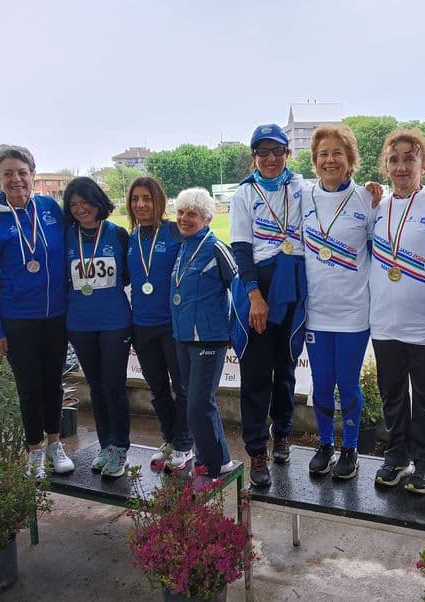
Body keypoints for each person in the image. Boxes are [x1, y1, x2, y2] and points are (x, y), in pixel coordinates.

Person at [0, 144, 74, 479]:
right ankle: (34, 450)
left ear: (32, 173)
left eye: (22, 172)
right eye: (8, 173)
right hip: (17, 319)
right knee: (29, 387)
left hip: (56, 316)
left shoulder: (49, 209)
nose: (16, 179)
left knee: (53, 384)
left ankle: (55, 443)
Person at [229, 124, 307, 488]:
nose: (271, 159)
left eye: (277, 151)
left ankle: (283, 434)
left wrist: (369, 194)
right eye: (263, 152)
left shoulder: (301, 187)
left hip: (292, 282)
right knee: (257, 374)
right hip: (259, 285)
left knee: (286, 368)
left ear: (287, 154)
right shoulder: (245, 193)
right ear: (254, 157)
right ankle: (256, 450)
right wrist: (253, 295)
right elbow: (241, 249)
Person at [369, 129, 425, 493]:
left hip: (424, 324)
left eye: (409, 158)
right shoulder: (376, 207)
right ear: (386, 165)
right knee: (392, 394)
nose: (402, 166)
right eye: (394, 159)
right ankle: (397, 456)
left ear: (424, 164)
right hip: (384, 322)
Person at [302, 124, 375, 480]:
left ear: (350, 161)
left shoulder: (368, 199)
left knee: (347, 383)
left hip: (353, 314)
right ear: (314, 161)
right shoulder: (303, 197)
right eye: (323, 154)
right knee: (321, 381)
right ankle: (326, 444)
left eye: (337, 153)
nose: (329, 160)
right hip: (316, 314)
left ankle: (351, 448)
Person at [63, 177, 132, 478]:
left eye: (85, 202)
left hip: (115, 321)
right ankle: (106, 445)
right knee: (97, 386)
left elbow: (127, 275)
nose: (80, 209)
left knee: (115, 385)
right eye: (74, 204)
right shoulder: (66, 236)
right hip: (79, 323)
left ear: (98, 201)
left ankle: (120, 448)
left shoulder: (118, 234)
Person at [126, 177, 193, 471]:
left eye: (147, 199)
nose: (140, 205)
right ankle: (168, 439)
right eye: (135, 199)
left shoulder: (174, 232)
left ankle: (184, 443)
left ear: (159, 202)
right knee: (157, 390)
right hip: (142, 326)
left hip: (173, 326)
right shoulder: (129, 239)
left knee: (183, 388)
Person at [170, 188, 237, 478]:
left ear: (207, 218)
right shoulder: (183, 246)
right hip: (183, 337)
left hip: (209, 339)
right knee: (195, 403)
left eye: (192, 214)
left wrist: (235, 331)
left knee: (199, 404)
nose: (185, 219)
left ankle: (216, 463)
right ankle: (212, 457)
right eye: (181, 213)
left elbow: (240, 288)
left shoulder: (216, 247)